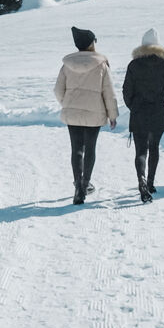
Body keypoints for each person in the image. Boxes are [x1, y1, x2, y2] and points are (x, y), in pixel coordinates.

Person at [120, 28, 164, 203]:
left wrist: (132, 106)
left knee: (141, 151)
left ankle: (141, 181)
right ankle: (150, 183)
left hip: (139, 113)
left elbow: (126, 91)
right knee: (154, 148)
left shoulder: (133, 65)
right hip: (158, 113)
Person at [54, 26, 117, 204]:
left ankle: (77, 188)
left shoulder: (67, 65)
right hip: (94, 113)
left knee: (76, 149)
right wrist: (112, 114)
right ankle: (85, 184)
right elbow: (109, 92)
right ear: (91, 44)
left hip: (72, 112)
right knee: (90, 149)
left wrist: (67, 104)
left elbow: (58, 90)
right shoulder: (101, 64)